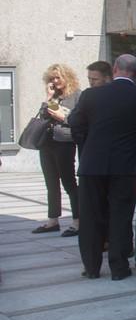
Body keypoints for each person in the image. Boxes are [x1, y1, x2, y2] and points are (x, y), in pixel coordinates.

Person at [68, 54, 136, 279]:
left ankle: (91, 268)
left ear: (114, 69)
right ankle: (119, 269)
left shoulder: (91, 95)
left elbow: (74, 122)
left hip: (93, 165)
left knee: (91, 216)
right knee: (120, 216)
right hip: (125, 166)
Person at [32, 63, 82, 236]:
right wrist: (49, 97)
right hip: (47, 142)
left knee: (68, 182)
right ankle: (52, 221)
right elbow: (44, 114)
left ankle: (77, 221)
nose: (55, 80)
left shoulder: (76, 95)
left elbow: (75, 119)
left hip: (64, 142)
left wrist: (60, 113)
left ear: (66, 77)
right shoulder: (53, 96)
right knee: (51, 183)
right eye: (52, 78)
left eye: (58, 77)